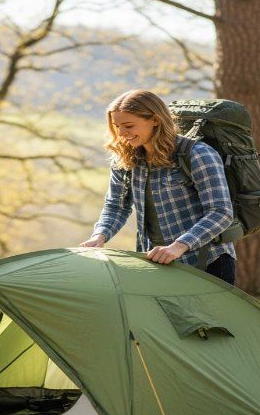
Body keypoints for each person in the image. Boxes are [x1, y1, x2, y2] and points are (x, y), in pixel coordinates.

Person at [81, 89, 236, 283]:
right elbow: (116, 206)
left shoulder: (198, 154)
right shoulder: (125, 159)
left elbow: (221, 212)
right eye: (116, 126)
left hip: (207, 261)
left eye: (128, 125)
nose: (121, 133)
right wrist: (100, 235)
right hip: (155, 262)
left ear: (155, 120)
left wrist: (178, 246)